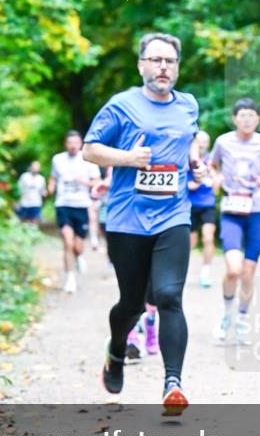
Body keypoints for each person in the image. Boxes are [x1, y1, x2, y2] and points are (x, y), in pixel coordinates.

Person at [83, 31, 206, 415]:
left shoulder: (188, 105)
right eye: (155, 60)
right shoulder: (121, 105)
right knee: (132, 303)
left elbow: (189, 139)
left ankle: (173, 383)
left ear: (177, 67)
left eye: (169, 61)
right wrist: (127, 159)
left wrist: (195, 162)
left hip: (173, 215)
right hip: (127, 219)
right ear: (141, 66)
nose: (163, 67)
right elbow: (90, 150)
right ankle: (117, 349)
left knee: (169, 295)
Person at [209, 98, 260, 343]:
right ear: (234, 119)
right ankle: (226, 316)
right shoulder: (223, 142)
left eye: (251, 115)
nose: (246, 119)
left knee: (248, 272)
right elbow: (212, 165)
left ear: (258, 119)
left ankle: (242, 319)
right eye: (241, 115)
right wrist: (217, 178)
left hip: (257, 211)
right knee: (233, 269)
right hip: (232, 210)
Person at [49, 131, 102, 294]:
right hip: (63, 205)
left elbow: (97, 181)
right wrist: (50, 187)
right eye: (69, 142)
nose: (72, 146)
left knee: (78, 247)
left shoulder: (88, 159)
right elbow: (52, 177)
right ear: (66, 144)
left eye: (76, 142)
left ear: (80, 144)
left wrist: (84, 181)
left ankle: (78, 256)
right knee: (67, 241)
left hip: (82, 206)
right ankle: (70, 278)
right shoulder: (57, 159)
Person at [188, 130, 219, 288]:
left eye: (204, 142)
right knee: (190, 242)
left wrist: (215, 178)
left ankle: (205, 273)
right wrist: (199, 181)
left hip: (208, 206)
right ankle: (182, 271)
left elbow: (217, 186)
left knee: (208, 238)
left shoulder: (211, 162)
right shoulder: (188, 161)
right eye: (199, 142)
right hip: (190, 206)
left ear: (208, 144)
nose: (201, 145)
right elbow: (188, 185)